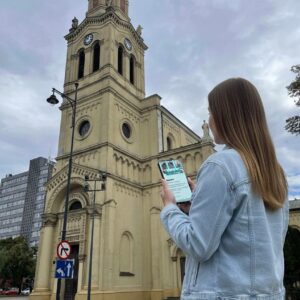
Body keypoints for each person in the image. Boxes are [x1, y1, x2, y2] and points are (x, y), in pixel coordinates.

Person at [160, 78, 289, 300]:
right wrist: (197, 205)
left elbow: (197, 245)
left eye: (211, 113)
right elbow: (247, 237)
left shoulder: (219, 165)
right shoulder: (276, 173)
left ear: (225, 115)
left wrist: (170, 208)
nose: (208, 122)